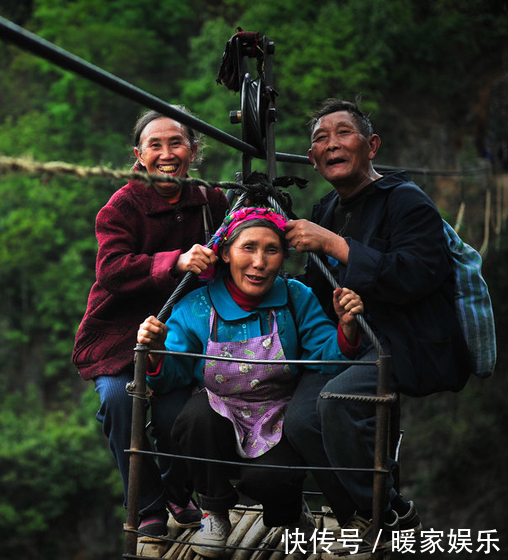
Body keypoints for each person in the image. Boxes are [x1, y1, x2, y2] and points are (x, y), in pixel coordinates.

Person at [283, 98, 471, 549]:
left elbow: (418, 273)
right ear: (311, 160)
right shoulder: (328, 206)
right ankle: (355, 512)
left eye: (343, 133)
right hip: (348, 340)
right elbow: (315, 288)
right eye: (320, 140)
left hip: (402, 340)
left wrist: (335, 245)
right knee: (301, 421)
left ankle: (387, 514)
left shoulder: (406, 202)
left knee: (337, 403)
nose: (332, 145)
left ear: (371, 145)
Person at [137, 207, 365, 558]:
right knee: (194, 417)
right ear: (226, 252)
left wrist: (347, 328)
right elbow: (173, 375)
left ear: (283, 257)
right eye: (248, 248)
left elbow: (325, 353)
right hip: (219, 417)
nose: (259, 262)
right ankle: (214, 514)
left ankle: (291, 513)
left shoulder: (294, 297)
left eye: (271, 250)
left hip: (278, 415)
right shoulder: (197, 305)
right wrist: (154, 351)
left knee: (269, 481)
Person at [71, 106, 230, 542]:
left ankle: (178, 492)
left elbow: (236, 239)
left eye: (176, 143)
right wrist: (175, 261)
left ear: (193, 151)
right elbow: (112, 270)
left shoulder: (209, 202)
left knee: (178, 411)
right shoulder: (121, 207)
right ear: (138, 155)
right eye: (155, 145)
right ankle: (147, 505)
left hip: (180, 336)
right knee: (120, 401)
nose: (166, 153)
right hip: (120, 335)